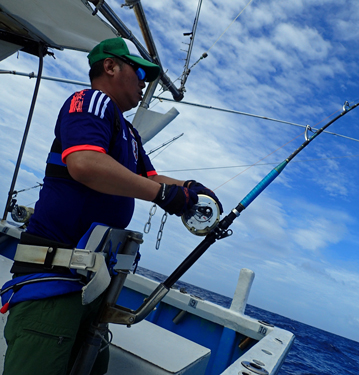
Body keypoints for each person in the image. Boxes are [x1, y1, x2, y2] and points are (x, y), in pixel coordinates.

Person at [1, 37, 222, 375]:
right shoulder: (91, 101)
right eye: (139, 72)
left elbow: (151, 177)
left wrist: (192, 190)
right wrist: (164, 196)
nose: (144, 83)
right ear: (110, 66)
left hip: (92, 290)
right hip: (53, 285)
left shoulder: (128, 133)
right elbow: (86, 163)